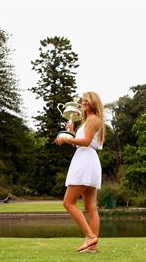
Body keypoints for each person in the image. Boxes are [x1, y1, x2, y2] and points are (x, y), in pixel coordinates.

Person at [54, 91, 105, 253]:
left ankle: (90, 237)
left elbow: (86, 142)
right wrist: (72, 132)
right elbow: (82, 141)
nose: (83, 103)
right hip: (89, 160)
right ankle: (93, 247)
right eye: (82, 101)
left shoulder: (92, 119)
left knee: (68, 203)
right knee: (91, 207)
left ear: (93, 103)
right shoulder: (89, 121)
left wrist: (66, 139)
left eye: (86, 101)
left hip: (84, 162)